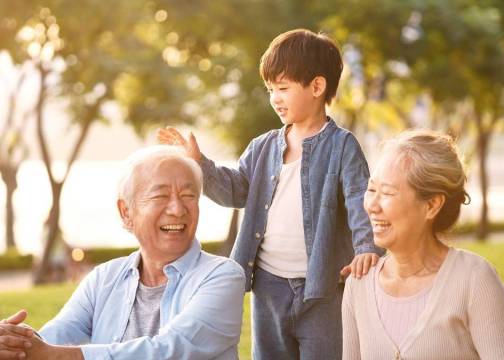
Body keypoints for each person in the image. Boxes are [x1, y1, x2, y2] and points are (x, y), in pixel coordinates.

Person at [158, 29, 383, 360]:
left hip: (321, 290)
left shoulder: (342, 146)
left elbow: (358, 200)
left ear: (317, 87)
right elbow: (235, 191)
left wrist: (366, 248)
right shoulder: (262, 146)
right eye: (270, 90)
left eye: (283, 88)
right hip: (268, 287)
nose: (275, 98)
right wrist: (199, 163)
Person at [0, 145, 246, 360]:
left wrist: (52, 355)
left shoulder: (222, 276)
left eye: (188, 196)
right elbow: (54, 336)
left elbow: (170, 351)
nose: (178, 208)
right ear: (126, 212)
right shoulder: (104, 277)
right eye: (161, 195)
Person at [342, 130, 504, 359]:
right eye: (371, 190)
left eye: (387, 193)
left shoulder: (475, 280)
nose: (372, 206)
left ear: (432, 205)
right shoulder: (359, 284)